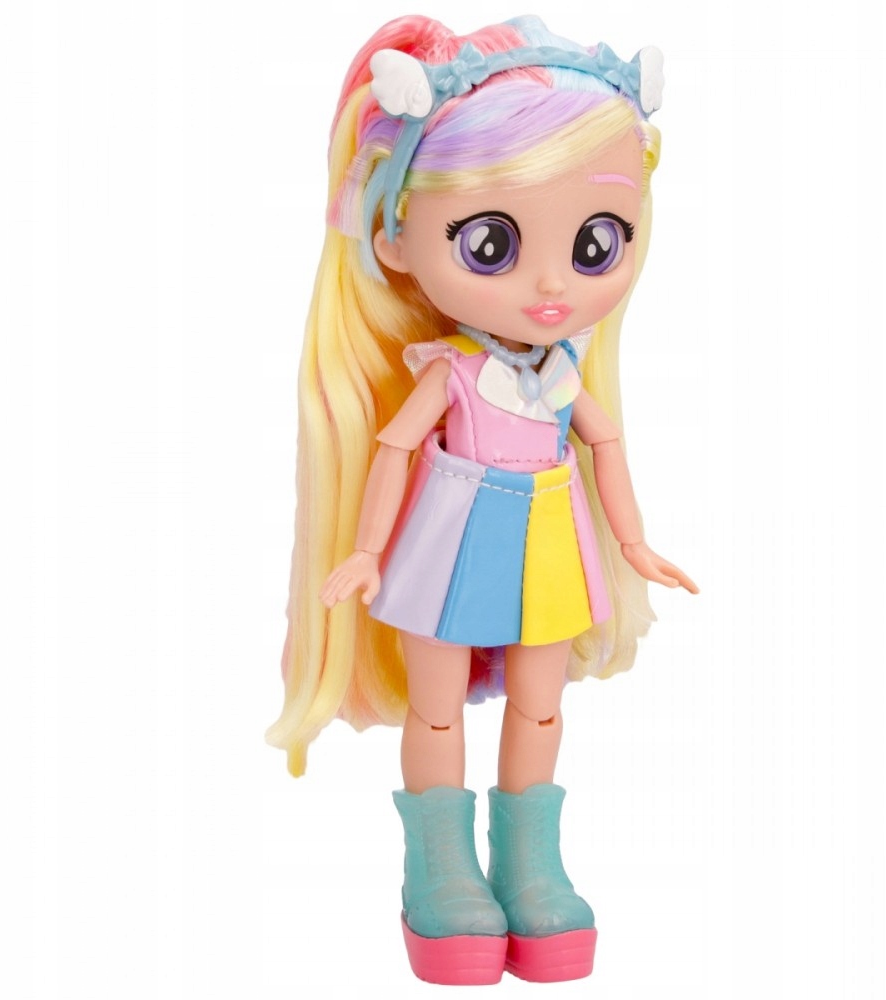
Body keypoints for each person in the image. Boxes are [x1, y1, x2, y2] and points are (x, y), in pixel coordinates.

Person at [267, 15, 698, 985]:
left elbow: (605, 444)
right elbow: (393, 447)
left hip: (550, 541)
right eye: (491, 242)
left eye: (596, 242)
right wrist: (365, 549)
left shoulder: (563, 374)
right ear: (395, 238)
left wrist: (633, 543)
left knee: (541, 709)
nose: (550, 285)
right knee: (438, 712)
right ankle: (441, 864)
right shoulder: (450, 372)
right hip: (450, 544)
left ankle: (532, 861)